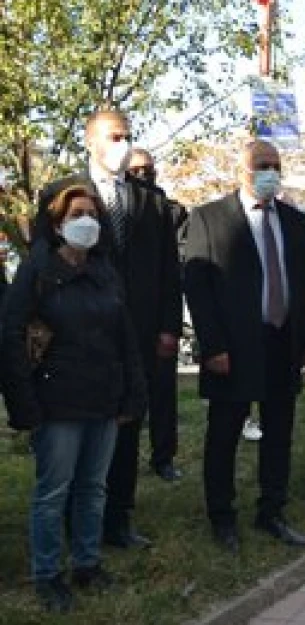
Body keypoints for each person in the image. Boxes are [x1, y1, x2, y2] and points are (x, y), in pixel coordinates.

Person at [36, 110, 181, 549]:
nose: (123, 143)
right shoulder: (61, 194)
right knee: (78, 428)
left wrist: (168, 327)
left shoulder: (151, 201)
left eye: (128, 136)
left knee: (128, 425)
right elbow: (43, 263)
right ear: (91, 140)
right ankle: (72, 525)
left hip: (135, 332)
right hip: (78, 334)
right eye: (114, 136)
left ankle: (118, 519)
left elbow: (168, 272)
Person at [2, 185, 147, 613]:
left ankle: (87, 563)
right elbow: (11, 336)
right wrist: (23, 403)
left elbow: (126, 337)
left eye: (92, 213)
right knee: (53, 493)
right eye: (77, 213)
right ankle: (48, 574)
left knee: (93, 489)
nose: (87, 221)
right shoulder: (37, 270)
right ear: (58, 222)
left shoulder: (106, 271)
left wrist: (132, 395)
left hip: (102, 397)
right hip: (56, 402)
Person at [182, 140, 305, 553]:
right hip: (233, 346)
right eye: (263, 165)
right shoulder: (209, 218)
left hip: (282, 341)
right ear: (242, 169)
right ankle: (221, 516)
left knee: (279, 431)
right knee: (224, 434)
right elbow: (197, 287)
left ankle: (272, 510)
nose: (271, 173)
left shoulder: (294, 221)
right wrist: (212, 346)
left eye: (276, 166)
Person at [123, 147, 187, 483]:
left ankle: (163, 457)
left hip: (158, 317)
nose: (144, 176)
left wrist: (171, 327)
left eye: (148, 169)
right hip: (123, 319)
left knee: (163, 394)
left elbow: (171, 274)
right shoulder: (113, 206)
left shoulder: (166, 208)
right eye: (136, 170)